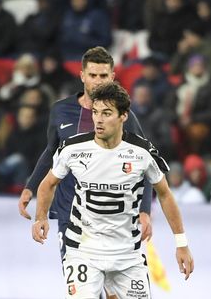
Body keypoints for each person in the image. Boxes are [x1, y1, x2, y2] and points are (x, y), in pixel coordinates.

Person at [33, 82, 194, 298]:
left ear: (123, 116)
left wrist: (181, 244)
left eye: (107, 113)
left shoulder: (141, 152)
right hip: (83, 251)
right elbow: (48, 183)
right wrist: (40, 217)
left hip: (127, 254)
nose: (98, 119)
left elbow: (164, 194)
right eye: (96, 112)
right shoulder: (73, 148)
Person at [19, 47, 153, 259]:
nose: (98, 81)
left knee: (112, 290)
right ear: (82, 76)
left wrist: (145, 210)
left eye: (103, 76)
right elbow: (51, 151)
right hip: (69, 211)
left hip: (114, 216)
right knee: (81, 289)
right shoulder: (60, 110)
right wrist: (30, 187)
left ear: (112, 77)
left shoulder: (124, 118)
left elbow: (145, 165)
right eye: (92, 75)